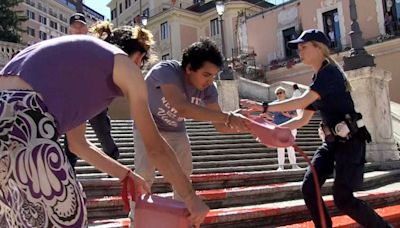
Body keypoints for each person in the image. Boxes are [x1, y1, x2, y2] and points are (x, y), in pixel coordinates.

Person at [0, 22, 208, 227]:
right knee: (67, 215)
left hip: (10, 114)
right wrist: (190, 197)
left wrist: (126, 175)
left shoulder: (80, 64)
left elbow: (78, 144)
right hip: (27, 120)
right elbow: (155, 147)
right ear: (138, 57)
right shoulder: (124, 65)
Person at [241, 29, 392, 228]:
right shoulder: (317, 79)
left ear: (319, 48)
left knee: (343, 198)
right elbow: (302, 119)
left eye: (303, 47)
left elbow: (301, 101)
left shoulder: (329, 73)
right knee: (309, 188)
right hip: (331, 144)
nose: (299, 52)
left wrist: (265, 106)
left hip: (350, 143)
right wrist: (270, 130)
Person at [129, 38, 250, 223]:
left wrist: (250, 126)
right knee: (144, 173)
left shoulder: (209, 89)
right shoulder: (167, 70)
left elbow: (220, 124)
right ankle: (136, 218)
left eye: (213, 76)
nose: (209, 81)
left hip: (175, 129)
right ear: (189, 68)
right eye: (206, 74)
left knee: (184, 172)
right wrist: (228, 117)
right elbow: (181, 107)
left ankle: (182, 217)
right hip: (147, 124)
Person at [64, 13, 120, 171]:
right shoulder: (64, 48)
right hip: (74, 98)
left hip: (95, 97)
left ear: (87, 28)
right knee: (71, 135)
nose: (78, 28)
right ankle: (69, 169)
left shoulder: (95, 45)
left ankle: (114, 162)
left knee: (103, 132)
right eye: (75, 26)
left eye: (81, 25)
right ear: (70, 29)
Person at [270, 87, 300, 171]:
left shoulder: (289, 103)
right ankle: (281, 166)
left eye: (281, 92)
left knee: (290, 146)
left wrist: (288, 115)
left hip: (290, 127)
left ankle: (294, 165)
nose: (279, 94)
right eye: (277, 93)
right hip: (279, 127)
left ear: (284, 93)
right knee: (280, 147)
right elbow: (273, 116)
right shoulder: (274, 104)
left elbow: (297, 115)